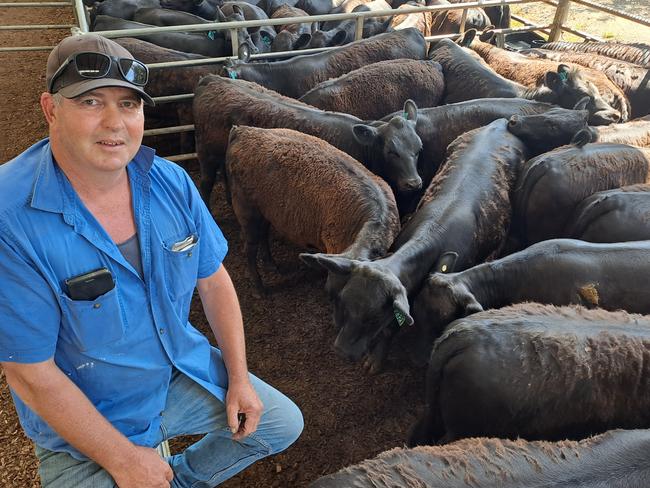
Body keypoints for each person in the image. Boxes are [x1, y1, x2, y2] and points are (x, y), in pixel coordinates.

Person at [0, 33, 303, 488]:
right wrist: (124, 461)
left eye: (129, 105)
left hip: (175, 374)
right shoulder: (10, 218)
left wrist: (238, 378)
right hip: (89, 416)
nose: (114, 123)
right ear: (51, 109)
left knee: (282, 423)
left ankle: (180, 479)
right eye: (91, 102)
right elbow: (30, 373)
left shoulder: (170, 182)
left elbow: (213, 278)